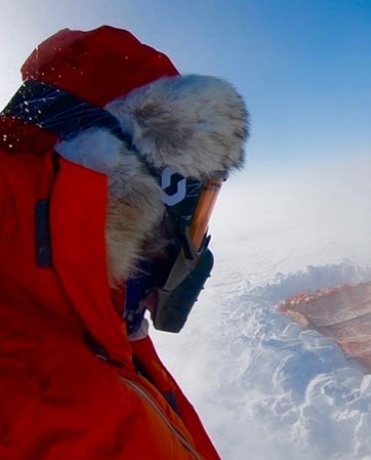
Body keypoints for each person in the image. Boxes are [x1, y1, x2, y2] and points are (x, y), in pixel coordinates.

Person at [0, 25, 248, 459]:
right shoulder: (56, 403)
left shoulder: (100, 335)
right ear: (129, 198)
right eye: (197, 212)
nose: (194, 247)